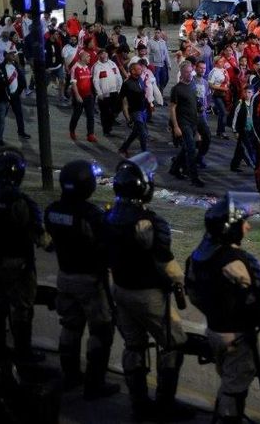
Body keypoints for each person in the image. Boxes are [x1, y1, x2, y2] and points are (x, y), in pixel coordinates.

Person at [106, 153, 195, 422]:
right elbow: (165, 262)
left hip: (120, 288)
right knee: (173, 343)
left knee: (133, 346)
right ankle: (164, 405)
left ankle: (139, 405)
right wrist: (181, 282)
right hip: (148, 294)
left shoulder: (109, 216)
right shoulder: (150, 221)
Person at [186, 192, 260, 424]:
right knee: (234, 389)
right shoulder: (236, 260)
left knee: (228, 382)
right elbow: (256, 299)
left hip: (214, 330)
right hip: (236, 336)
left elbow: (193, 293)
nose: (248, 227)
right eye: (244, 222)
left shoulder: (199, 255)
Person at [44, 160, 120, 399]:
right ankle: (94, 384)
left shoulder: (52, 210)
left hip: (65, 275)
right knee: (100, 332)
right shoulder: (91, 215)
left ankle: (70, 375)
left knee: (70, 327)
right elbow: (106, 246)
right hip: (90, 281)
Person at [0, 148, 48, 364]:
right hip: (19, 264)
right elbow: (41, 238)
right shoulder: (23, 202)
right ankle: (23, 354)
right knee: (21, 310)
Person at [169, 60, 205, 187]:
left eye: (191, 72)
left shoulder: (193, 85)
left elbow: (194, 104)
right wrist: (175, 127)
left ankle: (174, 168)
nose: (190, 74)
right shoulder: (176, 89)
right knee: (190, 149)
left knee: (188, 147)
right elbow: (172, 108)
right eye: (187, 72)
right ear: (182, 73)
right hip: (182, 123)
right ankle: (194, 178)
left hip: (193, 122)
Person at [118, 61, 152, 156]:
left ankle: (123, 148)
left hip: (143, 110)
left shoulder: (140, 80)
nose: (141, 70)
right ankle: (144, 154)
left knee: (136, 132)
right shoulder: (127, 84)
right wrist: (127, 117)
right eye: (139, 69)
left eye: (141, 69)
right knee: (143, 133)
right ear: (132, 71)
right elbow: (123, 100)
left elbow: (143, 95)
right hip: (135, 112)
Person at [1, 47, 31, 139]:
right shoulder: (0, 67)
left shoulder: (15, 65)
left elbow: (21, 79)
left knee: (19, 114)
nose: (14, 55)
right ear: (6, 55)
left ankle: (21, 132)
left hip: (15, 95)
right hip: (5, 96)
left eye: (14, 53)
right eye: (11, 53)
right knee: (1, 117)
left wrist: (19, 91)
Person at [92, 49, 123, 137]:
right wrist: (99, 93)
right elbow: (95, 81)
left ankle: (111, 121)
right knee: (104, 112)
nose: (105, 55)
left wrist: (119, 88)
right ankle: (106, 130)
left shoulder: (112, 64)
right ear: (99, 56)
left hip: (115, 91)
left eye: (105, 53)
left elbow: (118, 76)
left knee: (116, 108)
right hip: (104, 93)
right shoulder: (97, 66)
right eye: (102, 54)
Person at [69, 50, 98, 142]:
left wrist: (93, 93)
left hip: (89, 96)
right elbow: (73, 83)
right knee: (76, 115)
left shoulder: (87, 67)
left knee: (90, 115)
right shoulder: (75, 68)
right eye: (88, 57)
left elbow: (90, 81)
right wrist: (77, 96)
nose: (90, 58)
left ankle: (90, 134)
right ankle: (72, 130)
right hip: (79, 97)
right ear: (82, 57)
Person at [230, 85, 257, 172]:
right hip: (243, 130)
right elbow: (235, 117)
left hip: (252, 130)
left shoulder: (254, 104)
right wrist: (235, 130)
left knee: (240, 149)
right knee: (248, 148)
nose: (247, 94)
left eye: (249, 92)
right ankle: (255, 165)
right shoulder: (240, 103)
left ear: (252, 93)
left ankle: (234, 165)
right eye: (245, 92)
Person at [148, 27, 171, 93]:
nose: (157, 34)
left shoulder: (163, 42)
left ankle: (161, 90)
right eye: (156, 32)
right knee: (156, 80)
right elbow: (147, 53)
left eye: (158, 33)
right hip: (155, 65)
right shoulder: (150, 42)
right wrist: (148, 64)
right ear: (154, 33)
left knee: (165, 79)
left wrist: (169, 64)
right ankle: (158, 95)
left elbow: (166, 53)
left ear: (160, 34)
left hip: (163, 64)